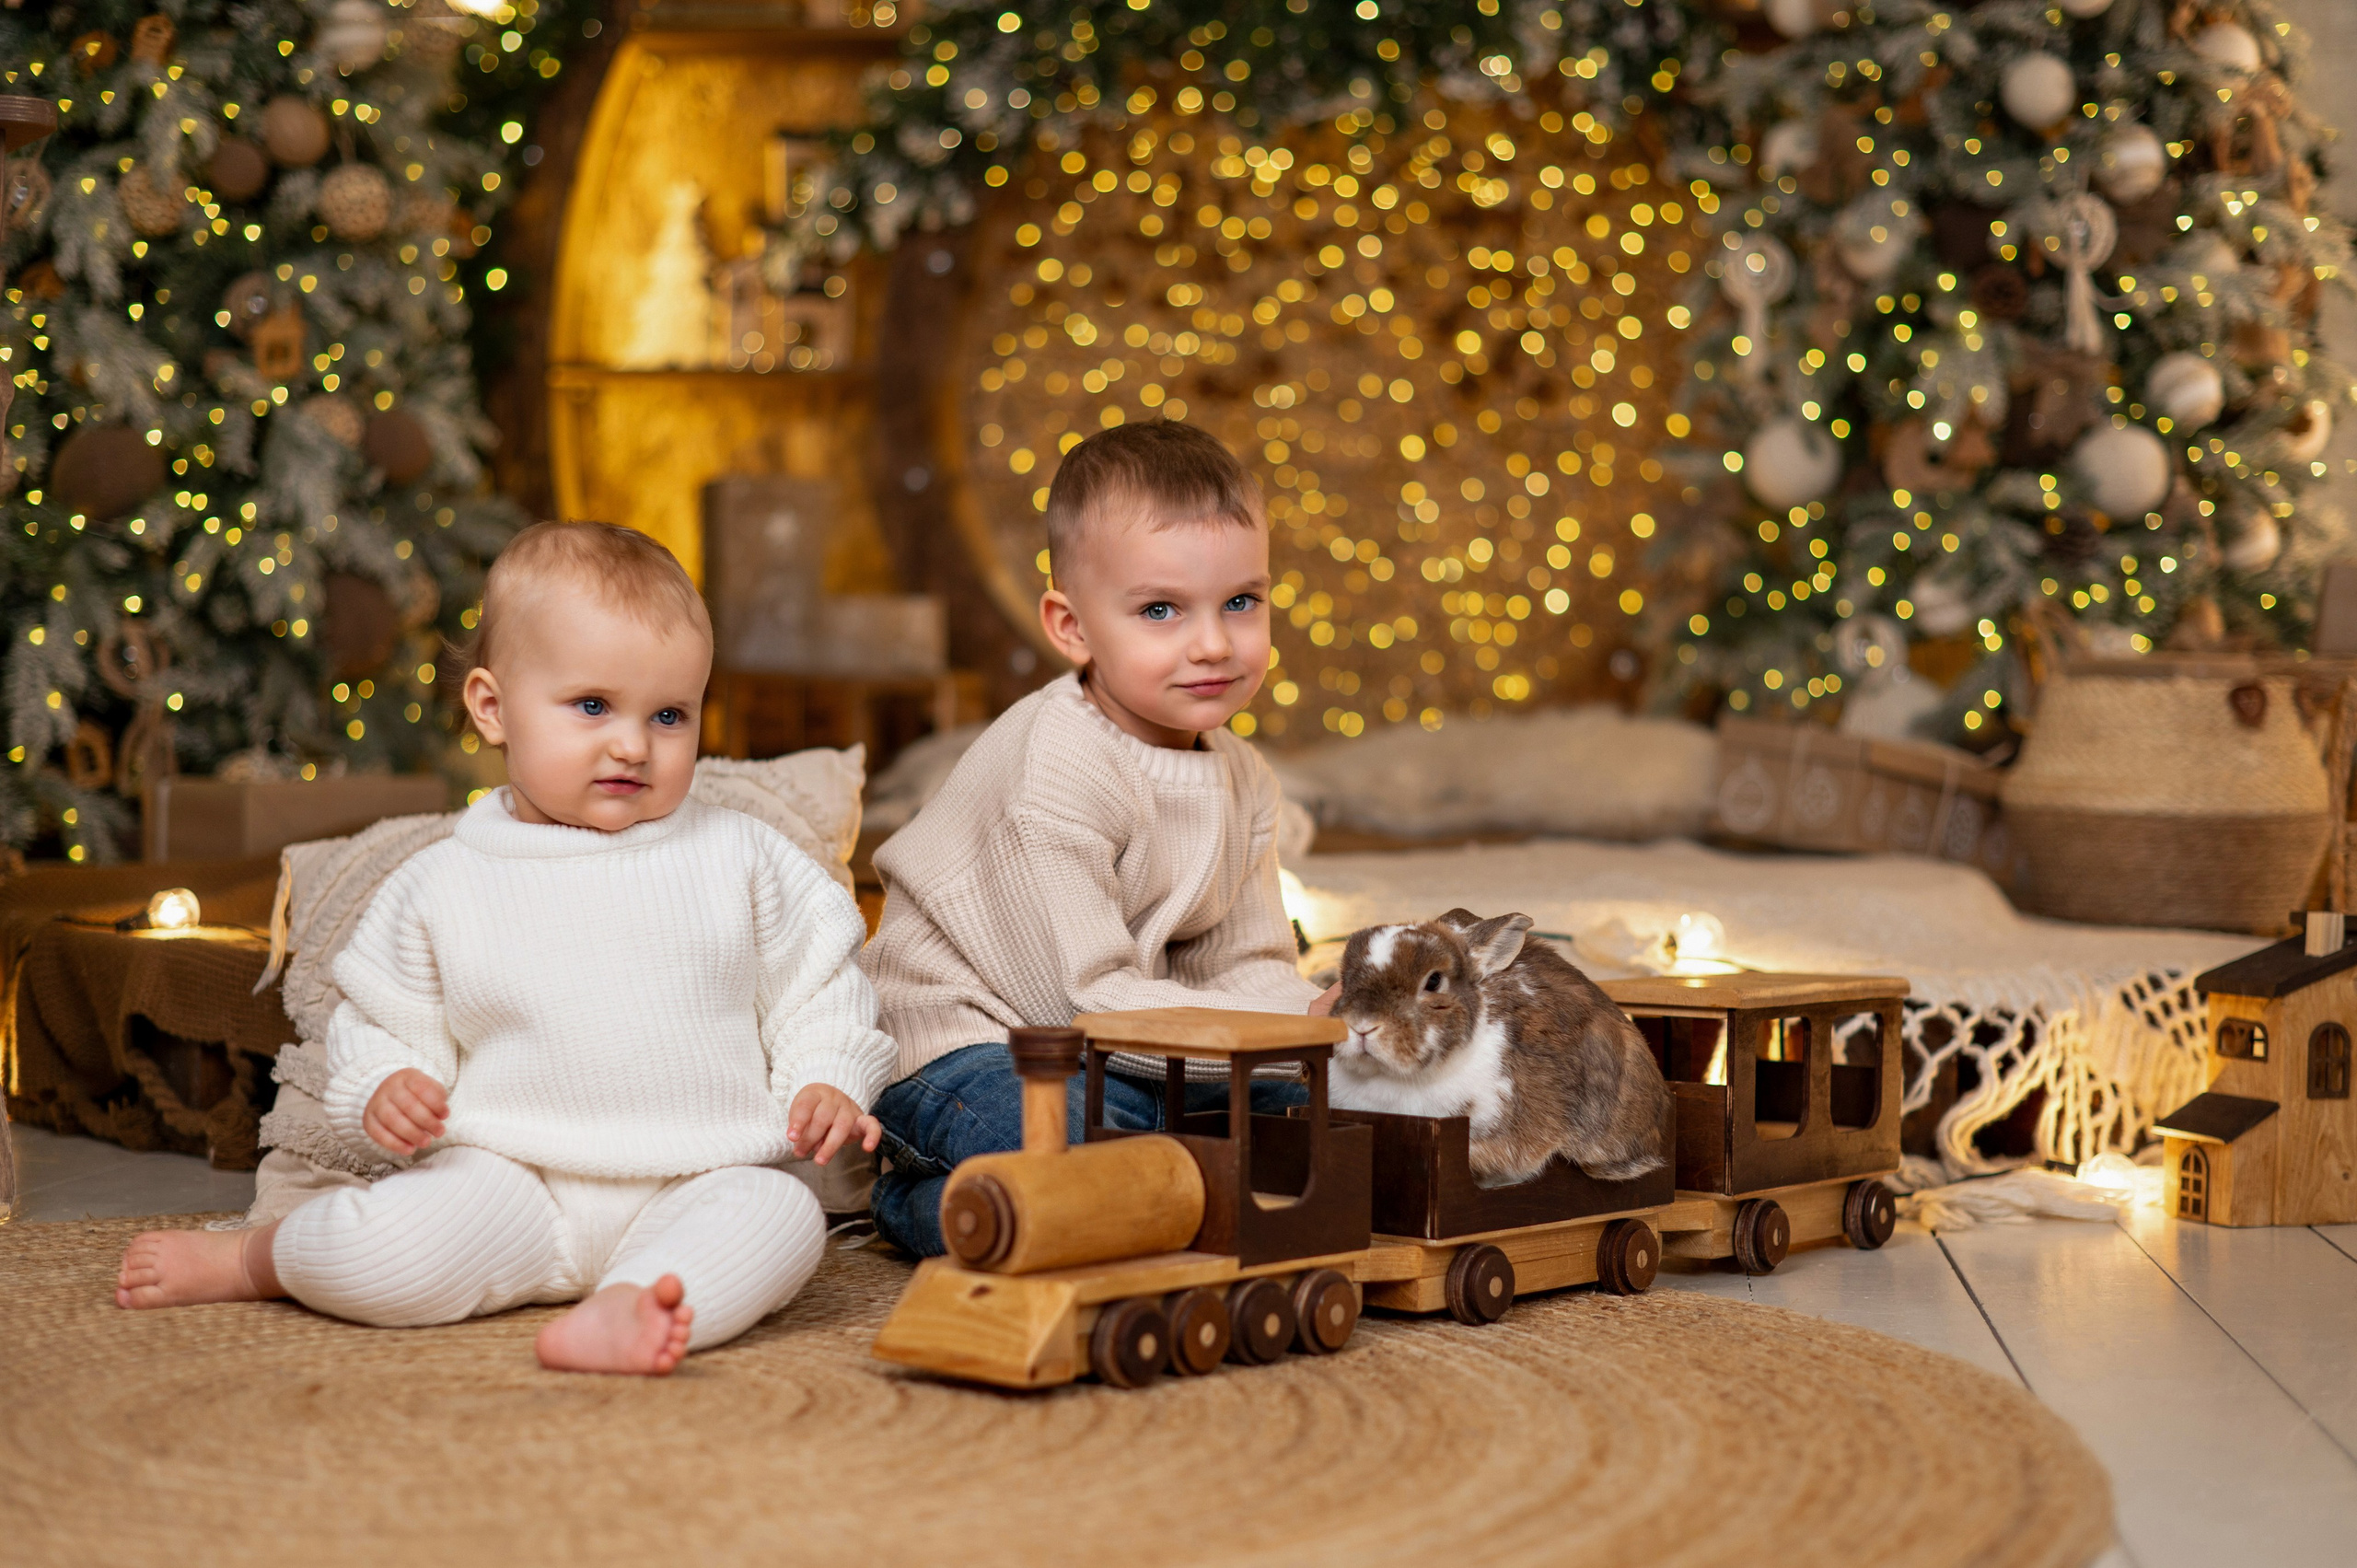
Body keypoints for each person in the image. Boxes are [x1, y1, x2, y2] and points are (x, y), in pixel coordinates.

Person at [115, 523, 895, 1376]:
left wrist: (826, 1076)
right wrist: (386, 1083)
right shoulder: (442, 880)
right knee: (391, 1247)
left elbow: (817, 982)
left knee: (779, 1219)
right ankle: (258, 1260)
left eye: (669, 714)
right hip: (508, 1183)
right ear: (493, 707)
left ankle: (632, 1305)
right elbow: (379, 1018)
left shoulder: (743, 855)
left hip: (701, 1174)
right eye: (593, 706)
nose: (633, 743)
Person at [862, 420, 1334, 1257]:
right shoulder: (1059, 762)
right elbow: (1081, 1004)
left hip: (1120, 1048)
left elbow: (1248, 965)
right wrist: (1297, 1030)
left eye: (1242, 602)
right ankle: (919, 1202)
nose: (1215, 644)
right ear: (1071, 626)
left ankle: (1133, 1187)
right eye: (1161, 610)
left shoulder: (1245, 777)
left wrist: (1312, 1023)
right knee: (1085, 1147)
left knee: (1323, 1111)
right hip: (977, 1043)